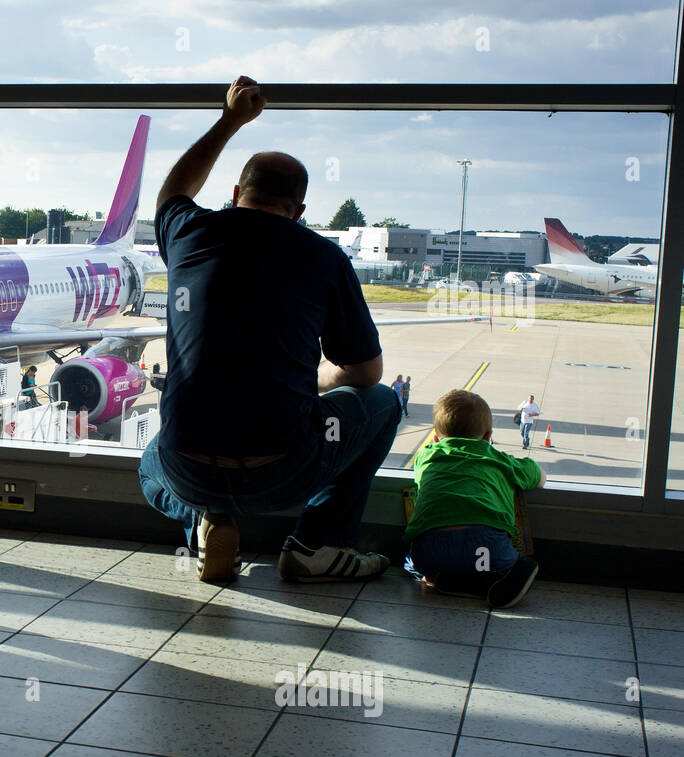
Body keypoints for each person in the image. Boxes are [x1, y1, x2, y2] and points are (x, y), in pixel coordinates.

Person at [138, 75, 399, 583]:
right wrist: (318, 381)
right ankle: (315, 544)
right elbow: (366, 373)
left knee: (152, 458)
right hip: (283, 470)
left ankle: (204, 521)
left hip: (188, 467)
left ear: (236, 194)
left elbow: (175, 190)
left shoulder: (190, 233)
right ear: (299, 213)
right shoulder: (323, 257)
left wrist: (230, 119)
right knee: (384, 404)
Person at [406, 389, 544, 608]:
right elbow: (536, 475)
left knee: (411, 563)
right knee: (503, 560)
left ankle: (438, 579)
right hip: (488, 549)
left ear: (434, 437)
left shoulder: (425, 457)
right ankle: (512, 569)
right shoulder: (499, 459)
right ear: (488, 436)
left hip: (430, 553)